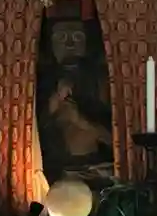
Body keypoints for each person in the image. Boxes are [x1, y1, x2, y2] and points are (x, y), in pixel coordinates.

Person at [37, 17, 115, 187]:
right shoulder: (40, 82)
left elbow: (115, 138)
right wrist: (54, 103)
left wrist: (81, 121)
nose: (70, 44)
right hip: (53, 170)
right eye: (61, 38)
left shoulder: (101, 82)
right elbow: (31, 130)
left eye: (78, 37)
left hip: (94, 167)